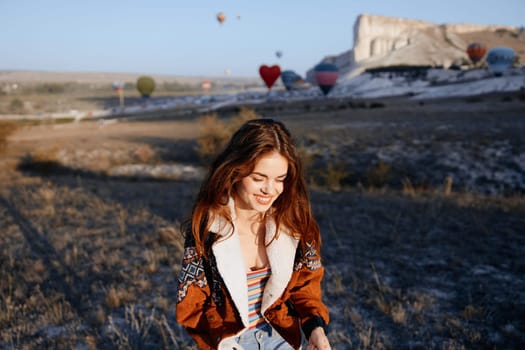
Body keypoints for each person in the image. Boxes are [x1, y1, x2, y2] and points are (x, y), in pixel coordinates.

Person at [176, 118, 331, 350]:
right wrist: (222, 341)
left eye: (280, 179)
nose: (270, 190)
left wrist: (315, 329)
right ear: (235, 172)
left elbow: (304, 288)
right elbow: (192, 302)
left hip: (282, 338)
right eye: (258, 178)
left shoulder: (294, 225)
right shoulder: (208, 229)